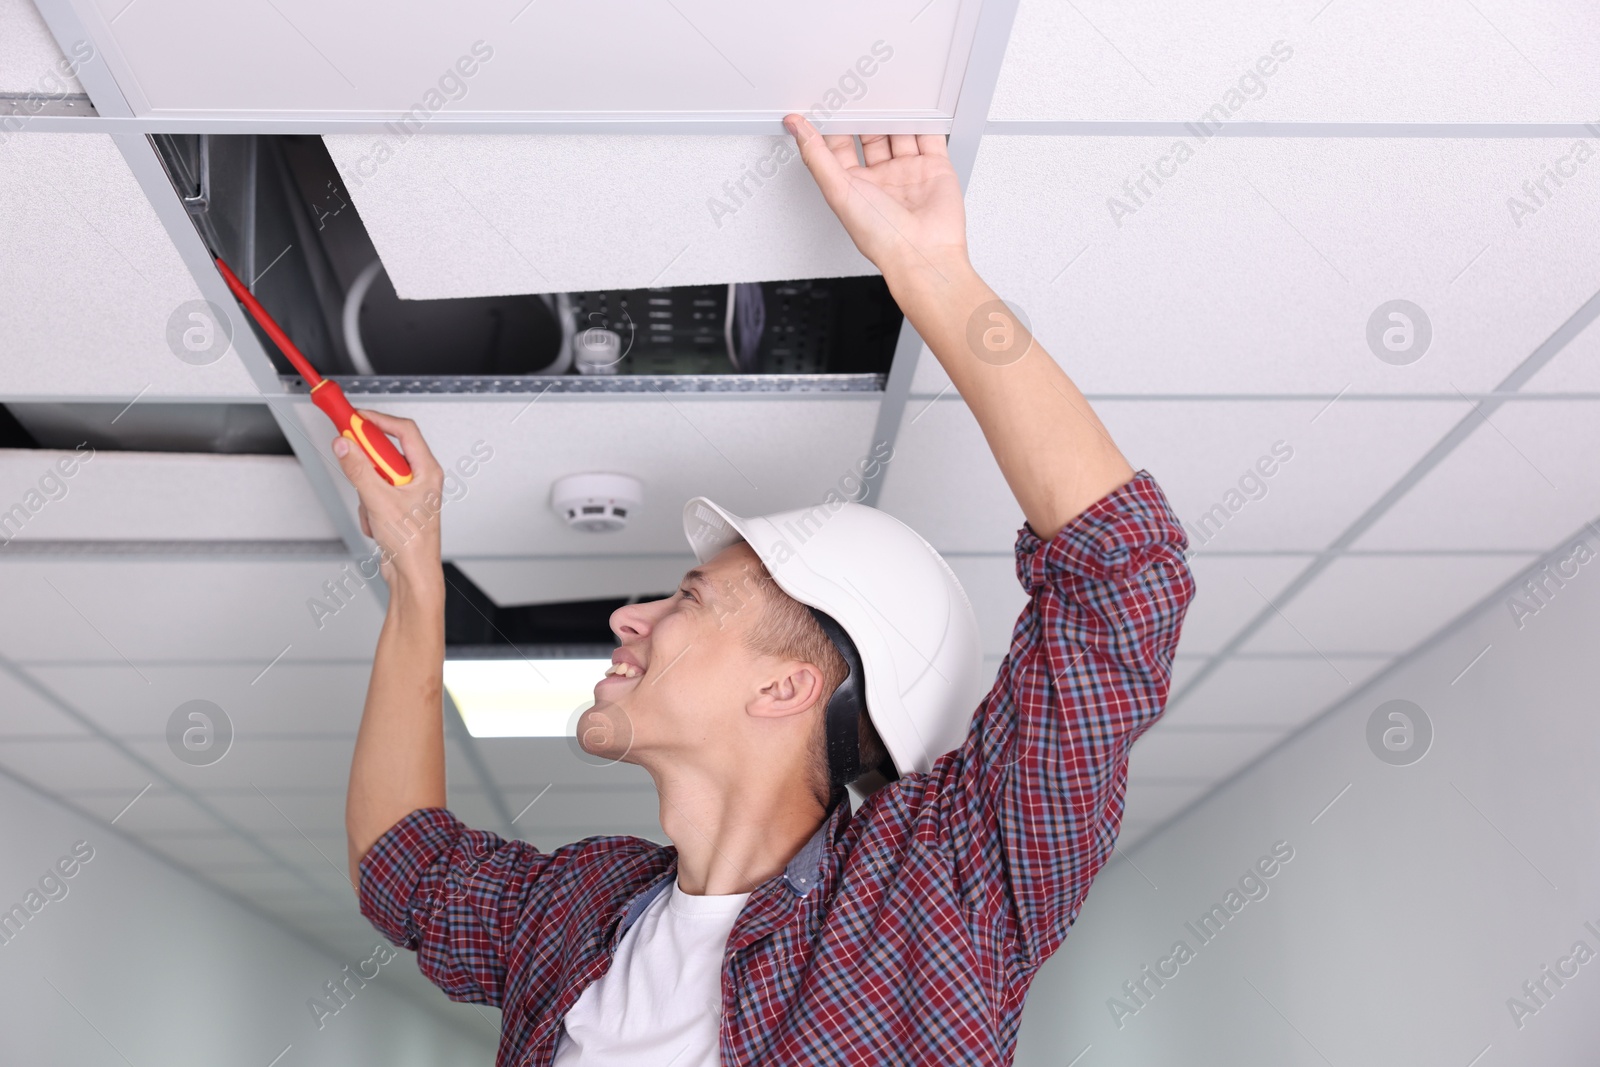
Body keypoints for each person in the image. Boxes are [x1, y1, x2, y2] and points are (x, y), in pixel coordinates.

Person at [338, 114, 1195, 1066]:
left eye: (688, 598)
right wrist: (416, 563)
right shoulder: (579, 915)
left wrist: (932, 274)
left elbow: (1122, 579)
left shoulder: (929, 902)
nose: (629, 616)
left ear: (788, 686)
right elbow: (402, 868)